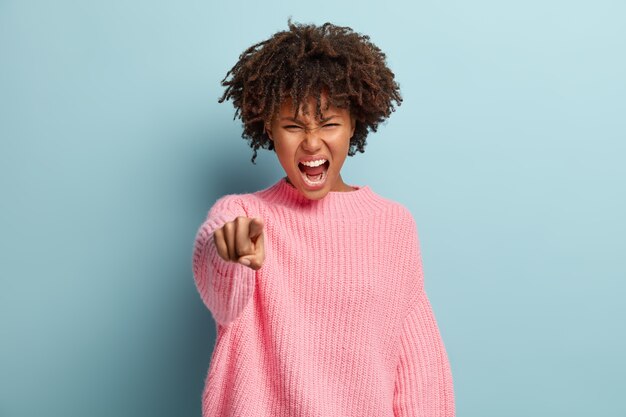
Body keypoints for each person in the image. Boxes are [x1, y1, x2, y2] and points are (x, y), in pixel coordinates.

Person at [192, 20, 455, 416]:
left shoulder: (393, 225)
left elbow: (418, 366)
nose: (312, 143)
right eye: (293, 126)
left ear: (353, 124)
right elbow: (223, 292)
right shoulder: (243, 214)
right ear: (269, 128)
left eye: (329, 124)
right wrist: (230, 251)